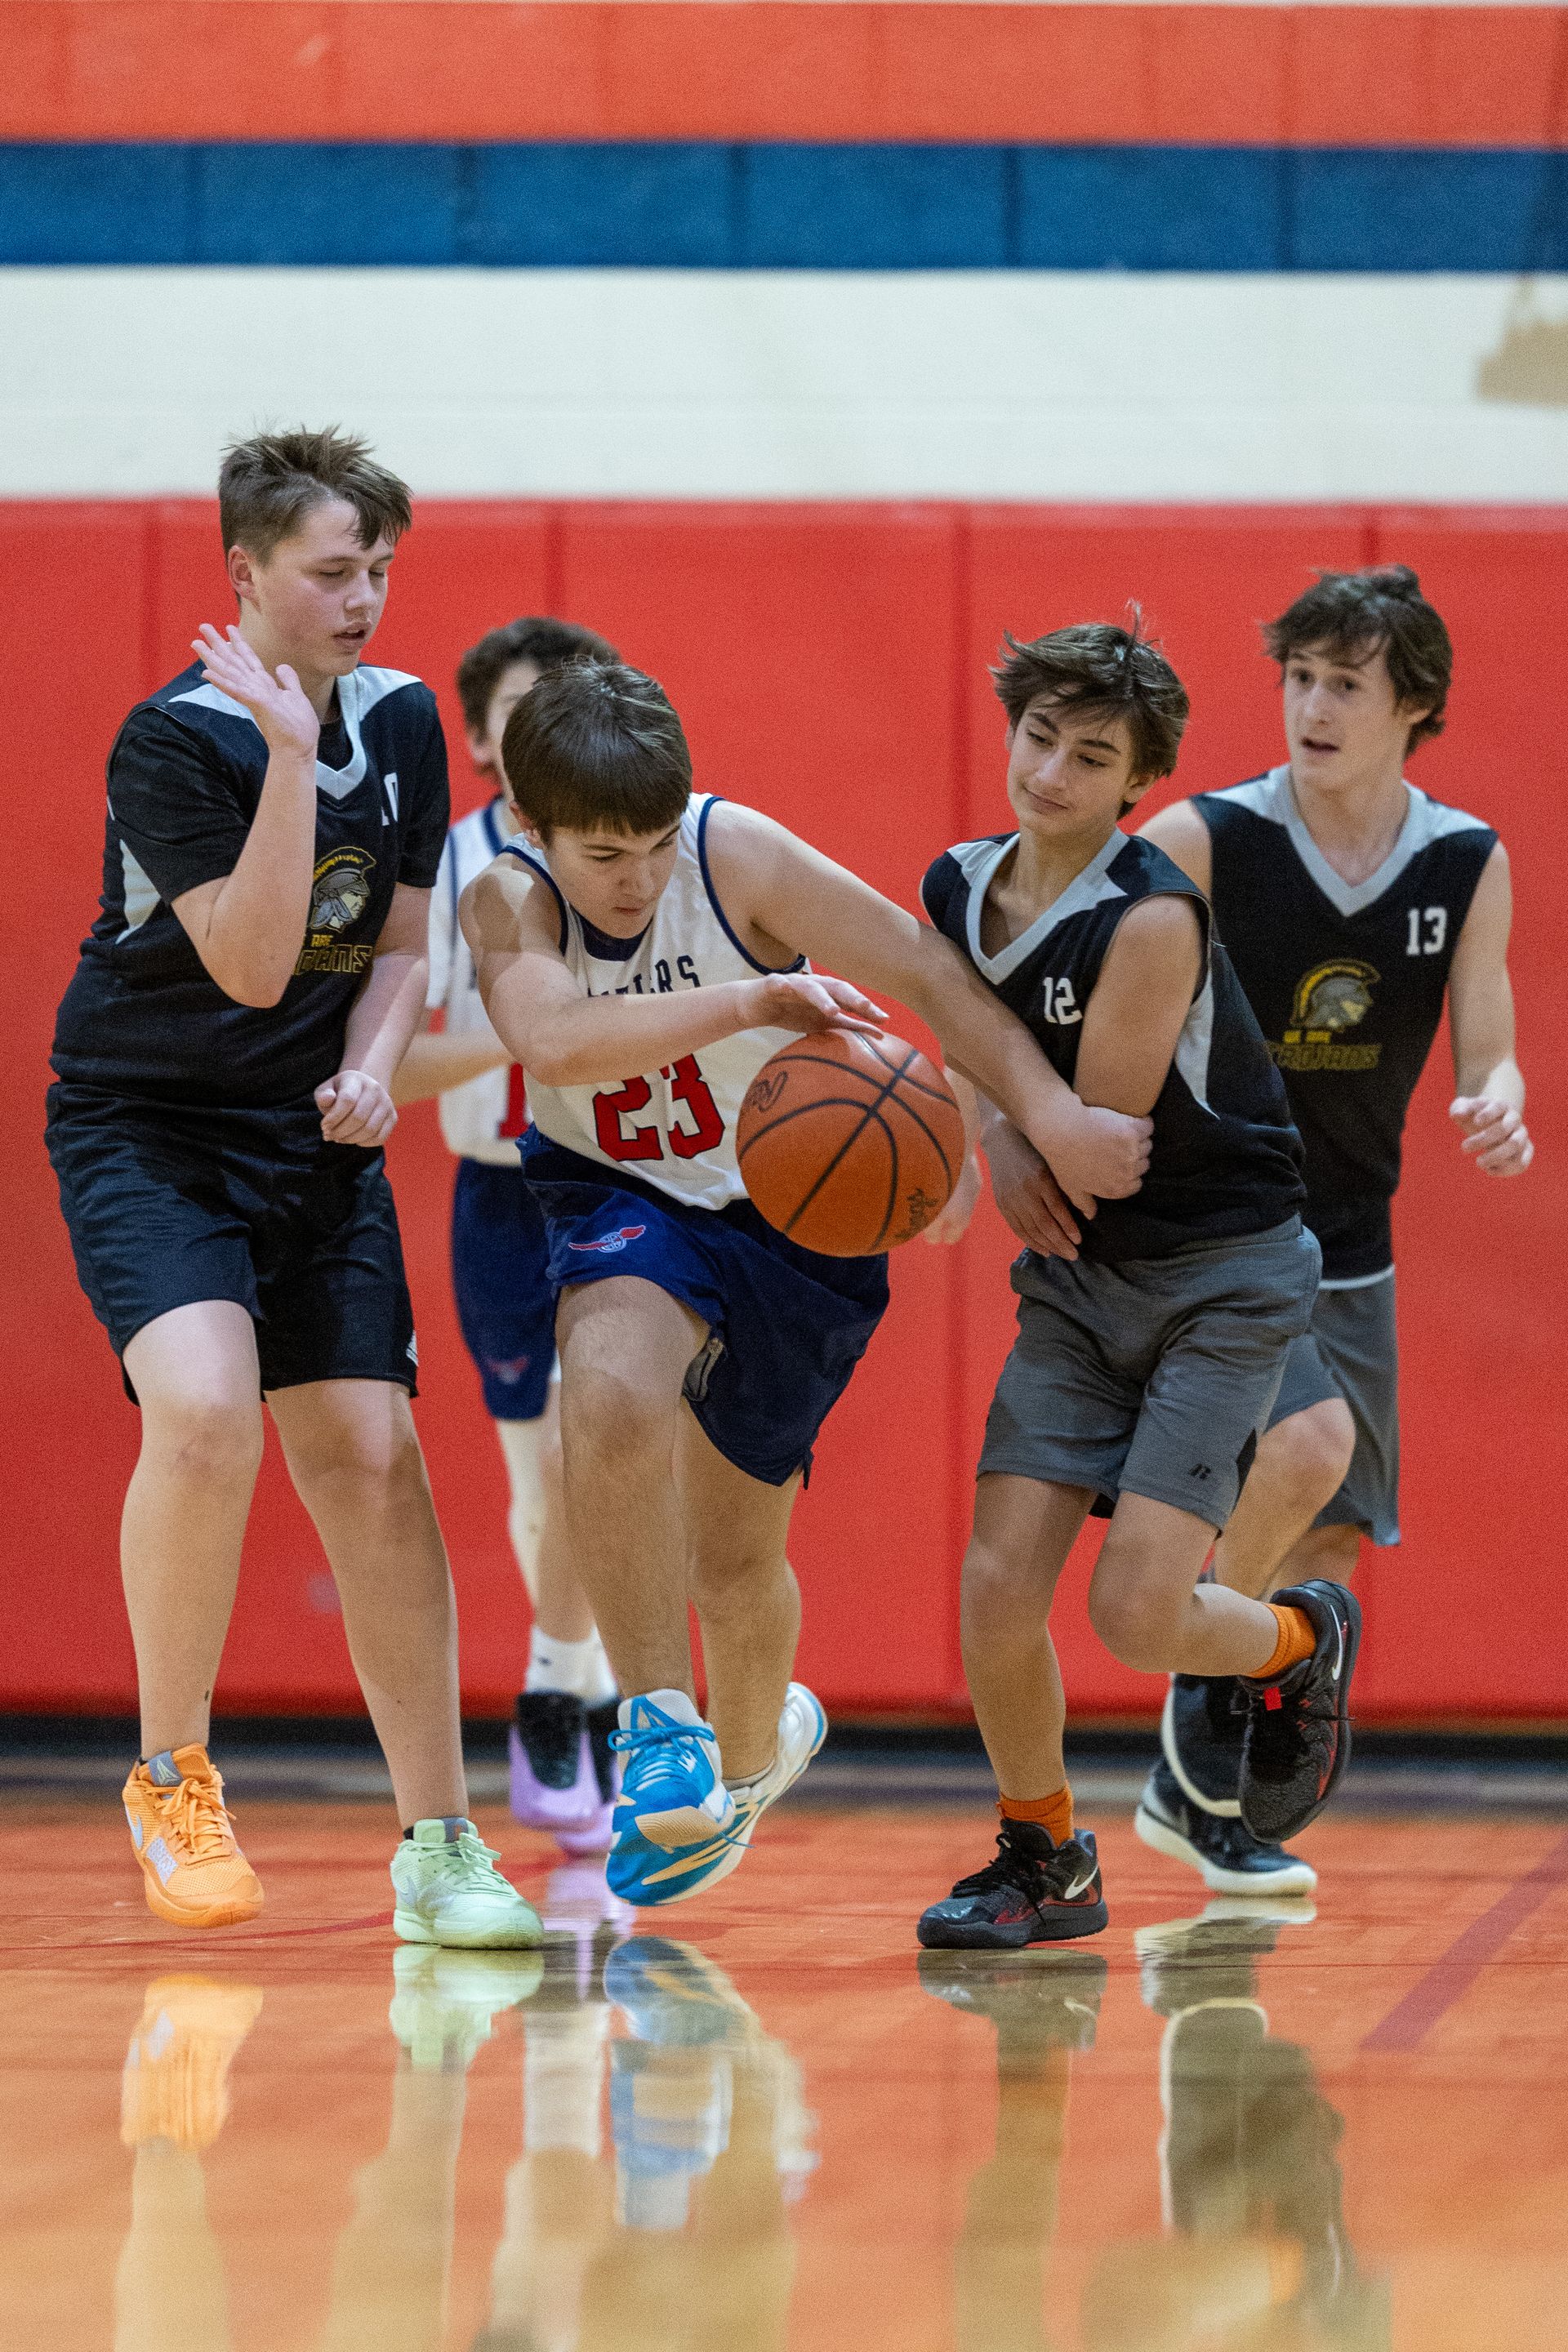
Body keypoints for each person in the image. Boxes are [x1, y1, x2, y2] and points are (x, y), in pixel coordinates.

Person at [461, 657, 1153, 1908]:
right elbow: (553, 1041)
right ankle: (654, 1725)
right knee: (609, 1392)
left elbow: (934, 974)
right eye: (604, 854)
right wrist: (754, 999)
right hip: (625, 1193)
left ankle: (742, 1758)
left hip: (796, 1216)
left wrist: (1016, 1119)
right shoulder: (506, 903)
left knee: (737, 1558)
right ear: (531, 832)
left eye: (655, 845)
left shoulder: (742, 859)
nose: (638, 879)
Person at [46, 425, 541, 1948]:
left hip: (311, 1135)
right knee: (200, 1411)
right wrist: (276, 751)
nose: (363, 600)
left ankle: (442, 1842)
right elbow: (259, 967)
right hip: (151, 1124)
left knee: (374, 1463)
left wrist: (385, 1063)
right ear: (244, 573)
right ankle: (174, 1774)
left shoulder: (395, 720)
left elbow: (395, 946)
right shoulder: (176, 740)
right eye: (333, 572)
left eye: (380, 570)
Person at [915, 620, 1361, 1956]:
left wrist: (1015, 1132)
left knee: (1133, 1618)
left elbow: (1099, 1134)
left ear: (1136, 786)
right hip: (1078, 1274)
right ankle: (1043, 1853)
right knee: (996, 1590)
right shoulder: (956, 881)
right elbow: (966, 1051)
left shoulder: (1150, 911)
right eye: (1037, 735)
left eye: (1090, 754)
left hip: (1219, 1274)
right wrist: (993, 1140)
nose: (1051, 769)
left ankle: (1292, 1643)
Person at [1136, 565, 1532, 1897]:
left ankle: (1203, 1800)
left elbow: (1489, 1038)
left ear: (1410, 705)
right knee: (1309, 1448)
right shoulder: (1206, 840)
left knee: (1330, 1541)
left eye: (1343, 684)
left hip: (1354, 1240)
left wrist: (1501, 1100)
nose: (1310, 705)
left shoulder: (1463, 861)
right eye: (1297, 677)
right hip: (1222, 1227)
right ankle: (1192, 1685)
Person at [393, 615, 626, 1855]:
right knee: (538, 1484)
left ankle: (557, 1687)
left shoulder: (636, 852)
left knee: (603, 1456)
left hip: (618, 1186)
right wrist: (533, 1025)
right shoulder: (447, 871)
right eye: (517, 710)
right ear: (482, 738)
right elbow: (406, 1059)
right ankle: (580, 1695)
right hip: (501, 1192)